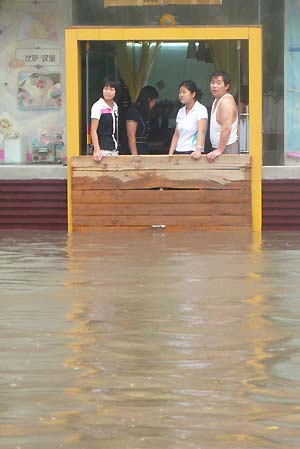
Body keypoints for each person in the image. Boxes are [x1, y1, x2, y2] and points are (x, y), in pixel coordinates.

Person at [168, 80, 208, 159]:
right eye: (180, 92)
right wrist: (170, 153)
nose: (181, 95)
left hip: (192, 152)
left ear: (193, 94)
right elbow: (176, 134)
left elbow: (201, 131)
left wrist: (198, 150)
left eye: (184, 92)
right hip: (178, 151)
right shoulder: (181, 111)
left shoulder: (201, 109)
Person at [207, 70, 238, 163]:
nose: (214, 86)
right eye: (212, 82)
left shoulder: (225, 101)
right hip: (220, 148)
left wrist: (219, 150)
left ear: (227, 86)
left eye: (219, 83)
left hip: (227, 147)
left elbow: (226, 128)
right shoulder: (216, 99)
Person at [90, 77, 120, 162]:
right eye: (106, 88)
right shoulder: (98, 106)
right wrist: (97, 150)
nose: (108, 92)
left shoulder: (115, 106)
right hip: (102, 151)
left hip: (114, 149)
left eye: (112, 89)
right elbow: (93, 130)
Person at [125, 85, 158, 155]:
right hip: (135, 149)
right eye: (154, 101)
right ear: (149, 99)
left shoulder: (144, 114)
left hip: (143, 149)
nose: (154, 104)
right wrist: (135, 156)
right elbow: (131, 135)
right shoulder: (133, 113)